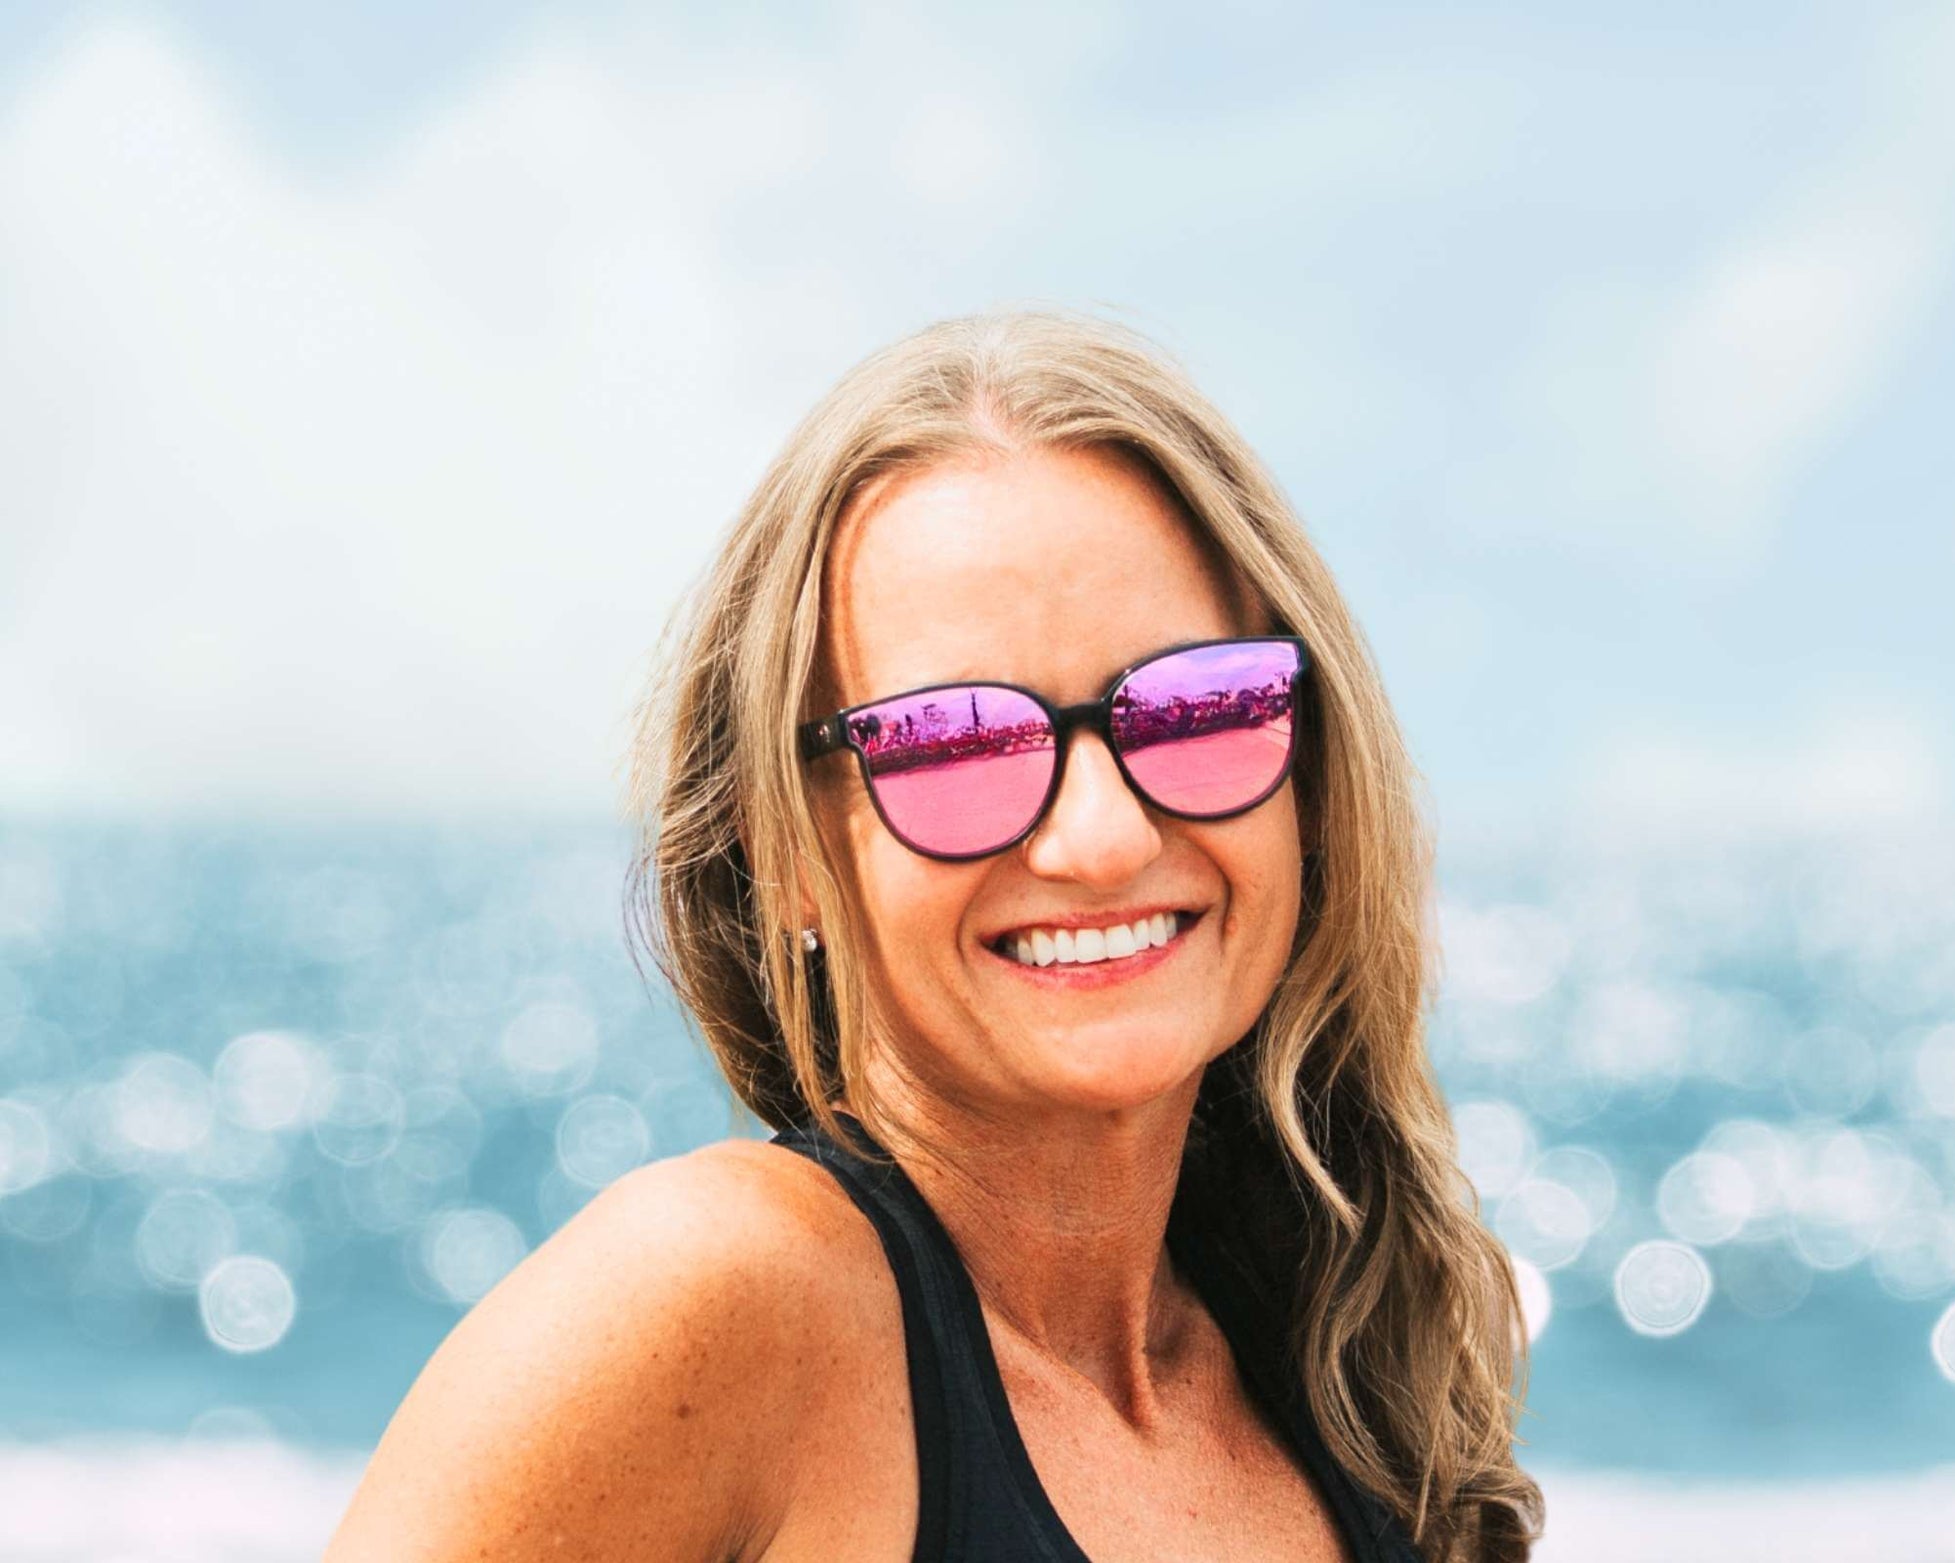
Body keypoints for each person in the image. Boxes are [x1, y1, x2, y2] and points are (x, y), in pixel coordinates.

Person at [325, 311, 1544, 1562]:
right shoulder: (714, 1296)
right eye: (954, 744)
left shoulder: (1353, 1391)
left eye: (1197, 708)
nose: (1101, 838)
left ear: (1309, 779)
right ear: (783, 851)